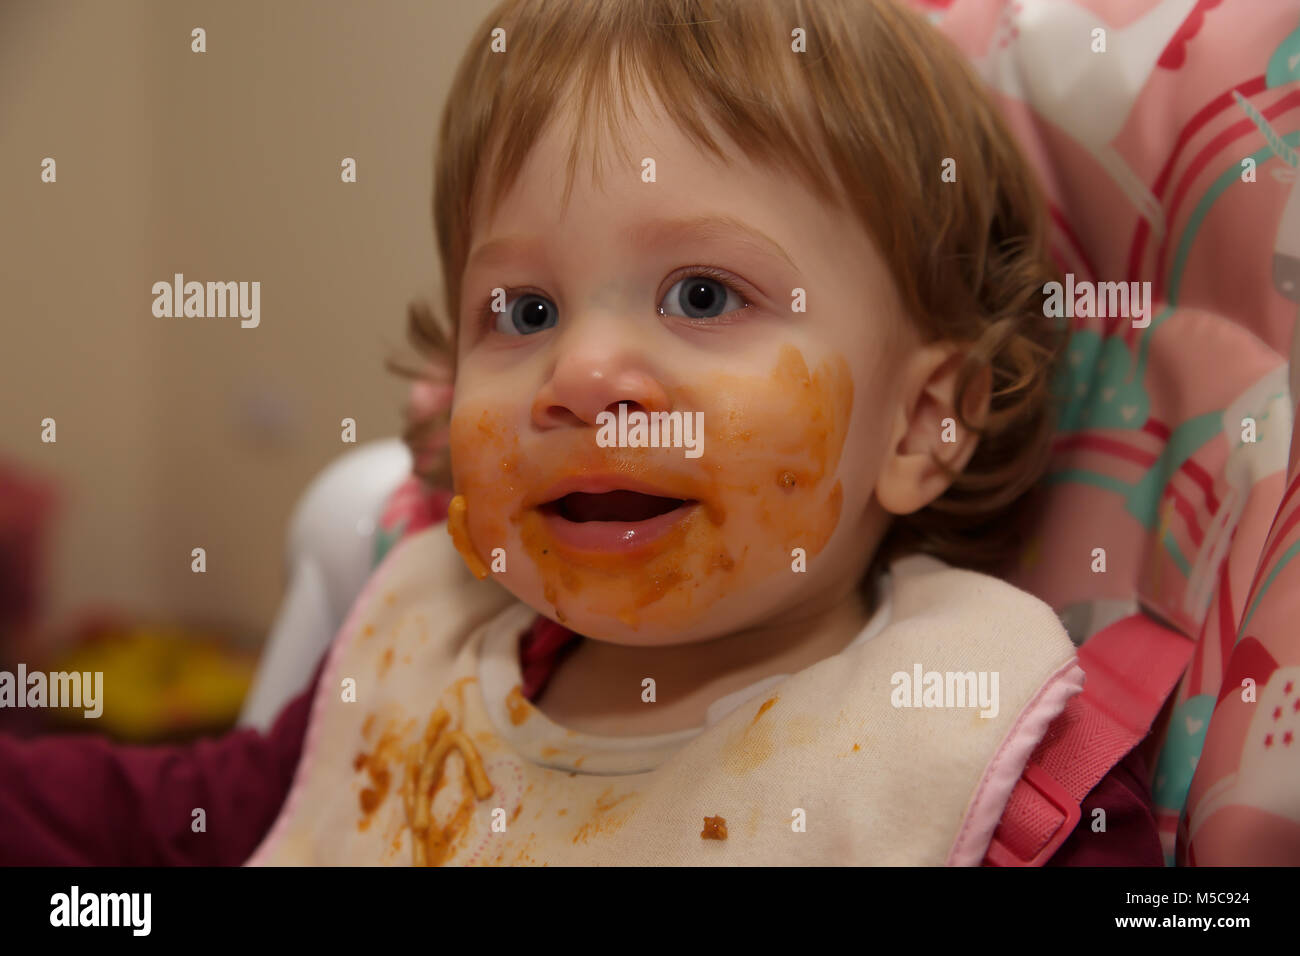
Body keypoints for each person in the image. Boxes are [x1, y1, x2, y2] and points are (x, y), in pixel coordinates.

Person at [1, 0, 1164, 866]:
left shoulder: (983, 764)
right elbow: (175, 826)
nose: (578, 372)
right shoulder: (424, 657)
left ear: (923, 419)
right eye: (526, 311)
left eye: (703, 295)